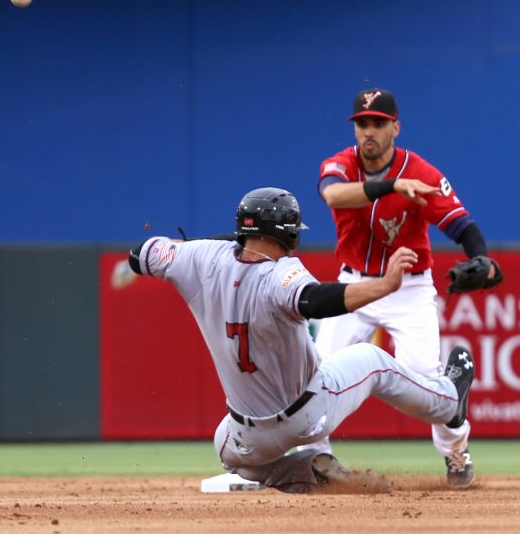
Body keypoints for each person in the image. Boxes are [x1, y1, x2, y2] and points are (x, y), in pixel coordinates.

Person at [127, 186, 475, 493]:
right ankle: (448, 401)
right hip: (309, 414)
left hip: (246, 439)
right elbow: (315, 300)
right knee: (373, 360)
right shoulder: (282, 271)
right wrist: (384, 286)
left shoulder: (196, 258)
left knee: (228, 451)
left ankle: (301, 471)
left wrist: (194, 248)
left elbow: (139, 253)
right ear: (286, 232)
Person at [311, 88, 503, 489]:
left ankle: (455, 452)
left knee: (425, 383)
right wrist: (394, 187)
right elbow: (332, 194)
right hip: (355, 287)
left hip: (409, 291)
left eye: (379, 123)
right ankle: (316, 457)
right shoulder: (341, 163)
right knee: (317, 374)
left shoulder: (422, 172)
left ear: (395, 127)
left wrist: (481, 258)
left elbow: (462, 224)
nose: (369, 131)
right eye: (363, 123)